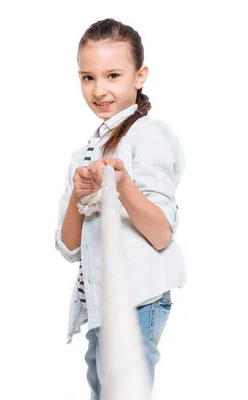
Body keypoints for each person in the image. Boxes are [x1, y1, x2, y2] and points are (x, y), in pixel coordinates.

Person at [54, 18, 186, 399]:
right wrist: (79, 196)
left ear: (139, 75)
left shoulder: (148, 135)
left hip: (137, 298)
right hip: (101, 302)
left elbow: (161, 233)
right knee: (103, 390)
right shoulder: (85, 152)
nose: (99, 89)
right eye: (88, 77)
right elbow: (69, 246)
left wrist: (123, 185)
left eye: (113, 75)